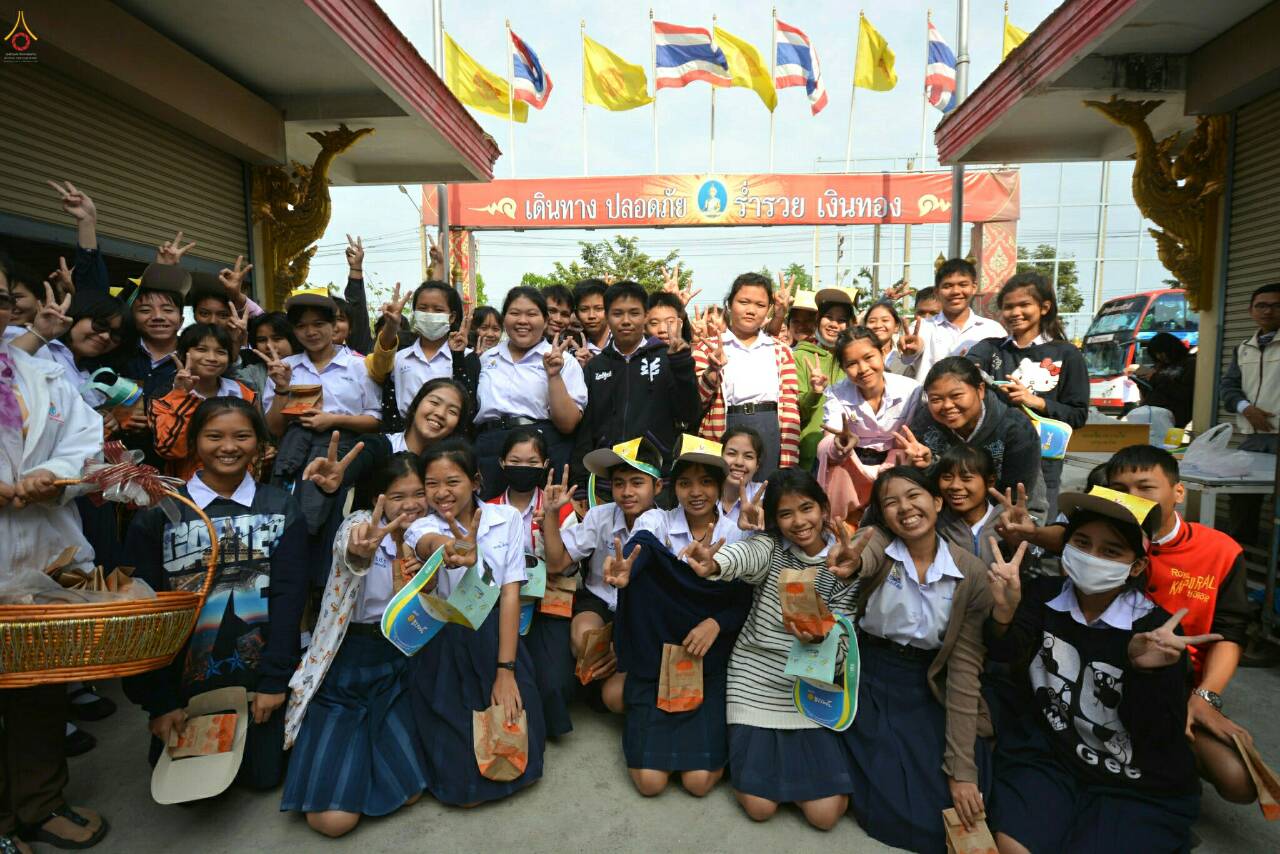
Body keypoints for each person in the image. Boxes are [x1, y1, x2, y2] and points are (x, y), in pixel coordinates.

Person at [984, 487, 1208, 854]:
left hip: (1133, 781)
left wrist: (1145, 673)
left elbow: (1158, 733)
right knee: (1013, 846)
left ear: (1136, 566)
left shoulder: (1155, 633)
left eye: (1111, 551)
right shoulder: (1042, 594)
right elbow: (1006, 653)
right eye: (1082, 543)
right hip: (1052, 756)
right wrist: (1004, 615)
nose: (1092, 557)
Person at [124, 397, 308, 792]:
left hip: (256, 679)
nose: (228, 447)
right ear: (194, 442)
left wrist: (275, 681)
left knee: (263, 779)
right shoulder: (160, 512)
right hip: (185, 685)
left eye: (241, 436)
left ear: (259, 443)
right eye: (214, 437)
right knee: (190, 794)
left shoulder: (280, 505)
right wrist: (159, 701)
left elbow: (289, 597)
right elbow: (141, 611)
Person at [679, 470, 863, 830]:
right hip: (754, 681)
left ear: (824, 509)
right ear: (775, 520)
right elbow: (742, 557)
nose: (799, 522)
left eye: (806, 508)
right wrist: (714, 563)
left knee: (825, 815)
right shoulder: (772, 548)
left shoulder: (844, 563)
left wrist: (820, 639)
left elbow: (845, 639)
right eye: (786, 514)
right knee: (759, 807)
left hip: (809, 687)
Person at [0, 274, 109, 851]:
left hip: (42, 553)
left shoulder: (39, 372)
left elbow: (87, 443)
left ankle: (40, 804)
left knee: (39, 688)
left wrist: (55, 476)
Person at [842, 467, 993, 852]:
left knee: (956, 789)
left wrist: (961, 772)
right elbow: (863, 555)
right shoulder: (878, 545)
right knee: (890, 795)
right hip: (871, 677)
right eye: (890, 502)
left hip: (928, 681)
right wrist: (851, 562)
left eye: (914, 496)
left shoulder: (970, 572)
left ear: (937, 502)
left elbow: (964, 667)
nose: (905, 508)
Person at [282, 453, 428, 837]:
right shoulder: (361, 523)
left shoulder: (426, 532)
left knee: (410, 794)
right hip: (347, 666)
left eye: (418, 493)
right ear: (378, 497)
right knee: (332, 822)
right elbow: (352, 546)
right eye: (398, 496)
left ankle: (363, 755)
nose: (411, 504)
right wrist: (359, 549)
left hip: (396, 665)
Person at [1103, 446, 1255, 804]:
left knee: (1240, 781)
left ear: (1179, 492)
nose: (1133, 499)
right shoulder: (1099, 542)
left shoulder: (1220, 551)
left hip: (1180, 689)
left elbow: (1230, 632)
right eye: (1120, 490)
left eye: (1145, 487)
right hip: (1106, 676)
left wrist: (1205, 697)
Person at [604, 437, 754, 798]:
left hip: (709, 657)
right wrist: (628, 570)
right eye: (686, 483)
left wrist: (716, 623)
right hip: (657, 657)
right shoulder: (656, 519)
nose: (696, 492)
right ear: (674, 488)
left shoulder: (737, 532)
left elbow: (748, 598)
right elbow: (641, 546)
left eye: (706, 482)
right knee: (650, 783)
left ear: (720, 486)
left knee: (698, 783)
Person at [404, 440, 544, 806]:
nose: (441, 492)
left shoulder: (506, 519)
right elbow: (426, 542)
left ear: (476, 481)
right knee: (461, 788)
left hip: (495, 635)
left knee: (518, 747)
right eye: (432, 484)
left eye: (452, 481)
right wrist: (449, 547)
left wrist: (506, 671)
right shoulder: (420, 526)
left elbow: (510, 593)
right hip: (444, 642)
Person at [542, 438, 665, 714]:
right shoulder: (600, 516)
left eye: (637, 482)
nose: (627, 492)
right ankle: (598, 677)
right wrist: (551, 514)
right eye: (619, 483)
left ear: (657, 487)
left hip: (641, 615)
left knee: (615, 697)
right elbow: (556, 563)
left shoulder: (666, 525)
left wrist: (621, 647)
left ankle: (609, 681)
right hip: (599, 602)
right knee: (585, 639)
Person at [966, 271, 1089, 511]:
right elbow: (963, 369)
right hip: (990, 460)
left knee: (1036, 524)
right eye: (1008, 307)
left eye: (1024, 305)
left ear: (1044, 307)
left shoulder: (1067, 354)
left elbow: (1078, 415)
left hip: (1043, 464)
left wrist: (1033, 401)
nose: (1015, 312)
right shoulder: (990, 349)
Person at [488, 428, 578, 739]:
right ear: (502, 463)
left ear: (545, 465)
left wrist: (550, 519)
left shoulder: (561, 506)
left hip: (549, 603)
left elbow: (559, 564)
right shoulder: (488, 509)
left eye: (532, 462)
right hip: (502, 605)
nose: (523, 468)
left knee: (554, 684)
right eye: (515, 461)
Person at [573, 281, 699, 483]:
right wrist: (581, 482)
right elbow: (585, 431)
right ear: (607, 316)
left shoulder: (668, 359)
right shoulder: (595, 367)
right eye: (617, 314)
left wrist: (682, 365)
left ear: (646, 316)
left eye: (634, 313)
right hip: (607, 477)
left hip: (656, 474)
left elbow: (689, 413)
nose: (626, 321)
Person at [472, 287, 587, 499]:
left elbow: (568, 424)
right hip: (490, 449)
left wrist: (554, 375)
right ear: (504, 318)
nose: (522, 321)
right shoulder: (487, 358)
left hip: (542, 448)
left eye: (532, 314)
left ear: (545, 321)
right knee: (489, 513)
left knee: (541, 514)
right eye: (515, 313)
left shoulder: (565, 361)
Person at [692, 273, 800, 480]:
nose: (751, 310)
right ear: (729, 304)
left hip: (770, 428)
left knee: (767, 493)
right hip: (725, 428)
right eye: (744, 302)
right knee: (724, 492)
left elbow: (790, 408)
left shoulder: (781, 350)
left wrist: (788, 459)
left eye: (760, 305)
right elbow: (696, 401)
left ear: (769, 309)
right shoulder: (707, 348)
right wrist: (712, 371)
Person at [909, 357, 1046, 518]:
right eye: (936, 399)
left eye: (956, 395)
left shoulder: (1015, 427)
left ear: (980, 390)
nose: (947, 406)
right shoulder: (925, 422)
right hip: (948, 514)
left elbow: (1016, 495)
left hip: (1012, 513)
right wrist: (924, 465)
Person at [818, 326, 923, 523]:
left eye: (868, 357)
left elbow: (908, 441)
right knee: (845, 523)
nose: (863, 369)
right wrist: (838, 445)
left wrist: (891, 466)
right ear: (843, 368)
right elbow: (828, 441)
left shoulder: (911, 390)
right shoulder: (836, 393)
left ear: (882, 353)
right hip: (851, 465)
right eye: (852, 364)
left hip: (896, 463)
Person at [153, 323, 257, 479]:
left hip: (241, 483)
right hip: (189, 485)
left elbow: (257, 440)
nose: (212, 358)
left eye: (221, 352)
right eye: (201, 350)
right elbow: (170, 450)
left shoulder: (243, 392)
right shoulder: (163, 397)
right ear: (183, 353)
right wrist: (182, 397)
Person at [1220, 282, 1280, 545]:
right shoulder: (1243, 348)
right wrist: (1246, 408)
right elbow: (1228, 387)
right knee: (1242, 497)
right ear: (1251, 310)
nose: (1268, 311)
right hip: (1254, 439)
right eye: (1261, 306)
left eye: (1276, 306)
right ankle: (1240, 555)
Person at [366, 280, 475, 421]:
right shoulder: (399, 357)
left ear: (452, 317)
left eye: (438, 310)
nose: (429, 314)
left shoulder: (466, 357)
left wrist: (458, 356)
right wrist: (391, 326)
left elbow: (468, 405)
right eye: (423, 308)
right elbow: (379, 366)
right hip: (405, 431)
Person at [895, 259, 1005, 381]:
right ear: (937, 291)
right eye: (947, 286)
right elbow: (906, 359)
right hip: (929, 394)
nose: (956, 291)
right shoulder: (921, 328)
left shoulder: (993, 330)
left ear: (974, 287)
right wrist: (911, 351)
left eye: (963, 285)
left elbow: (1001, 371)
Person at [794, 289, 854, 470]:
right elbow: (796, 410)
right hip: (810, 454)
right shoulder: (800, 356)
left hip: (849, 453)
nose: (834, 324)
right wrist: (814, 393)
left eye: (841, 320)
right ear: (818, 320)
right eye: (829, 317)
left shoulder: (853, 359)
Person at [935, 444, 1005, 566]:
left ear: (990, 482)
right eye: (947, 477)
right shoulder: (935, 524)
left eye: (966, 478)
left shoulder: (1007, 521)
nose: (954, 486)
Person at [1131, 332, 1195, 428]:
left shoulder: (1190, 363)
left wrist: (1155, 377)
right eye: (1156, 354)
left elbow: (1184, 393)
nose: (1159, 357)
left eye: (1161, 353)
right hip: (1151, 415)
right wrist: (1142, 382)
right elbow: (1151, 391)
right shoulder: (1160, 365)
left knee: (1169, 439)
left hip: (1174, 417)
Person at [238, 312, 299, 398]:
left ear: (292, 339)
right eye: (262, 340)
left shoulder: (310, 363)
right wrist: (235, 341)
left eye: (277, 339)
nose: (269, 345)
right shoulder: (254, 373)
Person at [718, 426, 766, 528]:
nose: (739, 462)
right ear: (720, 457)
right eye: (731, 453)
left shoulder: (764, 495)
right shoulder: (704, 492)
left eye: (748, 456)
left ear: (757, 465)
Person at [574, 278, 610, 358]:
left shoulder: (624, 340)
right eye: (584, 309)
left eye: (599, 308)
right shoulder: (572, 348)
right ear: (576, 314)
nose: (591, 316)